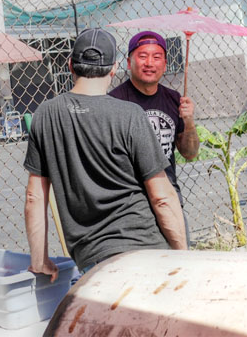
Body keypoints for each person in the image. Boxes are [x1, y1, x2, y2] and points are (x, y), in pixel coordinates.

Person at [24, 28, 187, 282]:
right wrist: (183, 257)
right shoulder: (130, 114)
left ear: (70, 66)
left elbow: (35, 196)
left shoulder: (45, 114)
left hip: (93, 259)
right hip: (146, 249)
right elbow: (162, 197)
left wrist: (39, 260)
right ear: (114, 68)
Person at [109, 31, 199, 242]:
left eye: (156, 57)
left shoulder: (174, 99)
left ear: (165, 64)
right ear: (129, 62)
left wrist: (189, 121)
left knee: (180, 262)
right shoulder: (114, 102)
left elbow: (190, 153)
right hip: (130, 203)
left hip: (169, 196)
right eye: (142, 56)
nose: (150, 63)